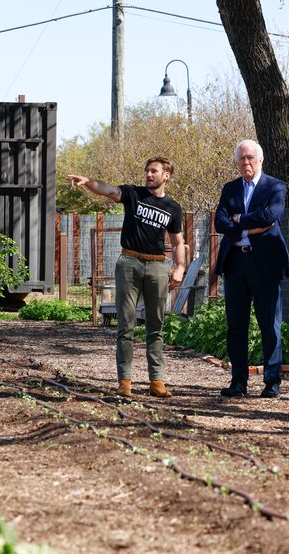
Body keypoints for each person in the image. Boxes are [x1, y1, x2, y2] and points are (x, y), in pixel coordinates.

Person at [66, 157, 185, 398]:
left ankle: (157, 381)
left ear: (166, 175)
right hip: (129, 262)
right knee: (126, 326)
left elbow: (178, 240)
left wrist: (180, 267)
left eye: (154, 171)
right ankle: (125, 381)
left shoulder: (173, 207)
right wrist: (88, 182)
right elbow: (108, 190)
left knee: (155, 326)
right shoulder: (133, 194)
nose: (149, 175)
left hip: (157, 266)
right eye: (147, 171)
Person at [214, 140, 289, 398]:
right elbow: (220, 222)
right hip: (236, 262)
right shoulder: (230, 189)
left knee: (269, 325)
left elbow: (270, 217)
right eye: (241, 159)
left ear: (260, 160)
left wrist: (238, 220)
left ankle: (272, 381)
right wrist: (250, 226)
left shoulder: (275, 186)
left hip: (266, 265)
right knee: (236, 325)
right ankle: (239, 381)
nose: (246, 163)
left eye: (250, 158)